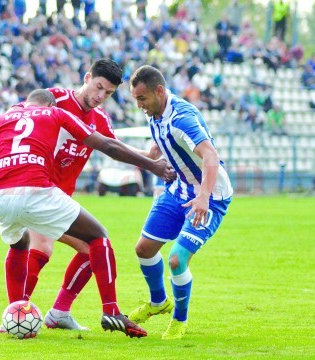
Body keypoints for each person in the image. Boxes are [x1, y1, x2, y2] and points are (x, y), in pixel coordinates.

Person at [0, 89, 175, 338]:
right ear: (50, 104)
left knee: (20, 246)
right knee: (97, 236)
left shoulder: (0, 119)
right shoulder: (55, 113)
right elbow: (106, 145)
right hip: (38, 191)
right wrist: (152, 165)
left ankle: (16, 312)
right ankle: (111, 310)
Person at [22, 59, 157, 331]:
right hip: (34, 190)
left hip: (60, 200)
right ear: (86, 77)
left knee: (89, 250)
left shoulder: (99, 120)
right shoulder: (55, 100)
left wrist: (148, 156)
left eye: (107, 93)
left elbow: (114, 147)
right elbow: (21, 121)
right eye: (98, 87)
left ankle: (54, 312)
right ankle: (19, 311)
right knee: (51, 247)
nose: (100, 97)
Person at [125, 65, 233, 340]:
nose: (139, 106)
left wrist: (204, 197)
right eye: (136, 99)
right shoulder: (156, 115)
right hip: (178, 190)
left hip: (211, 195)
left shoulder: (182, 118)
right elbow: (152, 153)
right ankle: (159, 302)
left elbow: (210, 156)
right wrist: (110, 144)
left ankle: (179, 320)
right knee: (144, 249)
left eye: (142, 99)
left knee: (176, 260)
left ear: (159, 91)